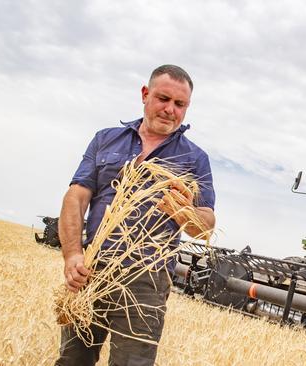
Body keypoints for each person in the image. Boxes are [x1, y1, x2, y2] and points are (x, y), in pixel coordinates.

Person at [56, 65, 215, 366]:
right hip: (91, 269)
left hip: (148, 282)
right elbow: (76, 197)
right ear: (145, 94)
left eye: (179, 104)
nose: (170, 110)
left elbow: (205, 228)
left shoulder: (195, 159)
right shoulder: (106, 139)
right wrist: (73, 254)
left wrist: (185, 212)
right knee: (72, 360)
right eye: (163, 99)